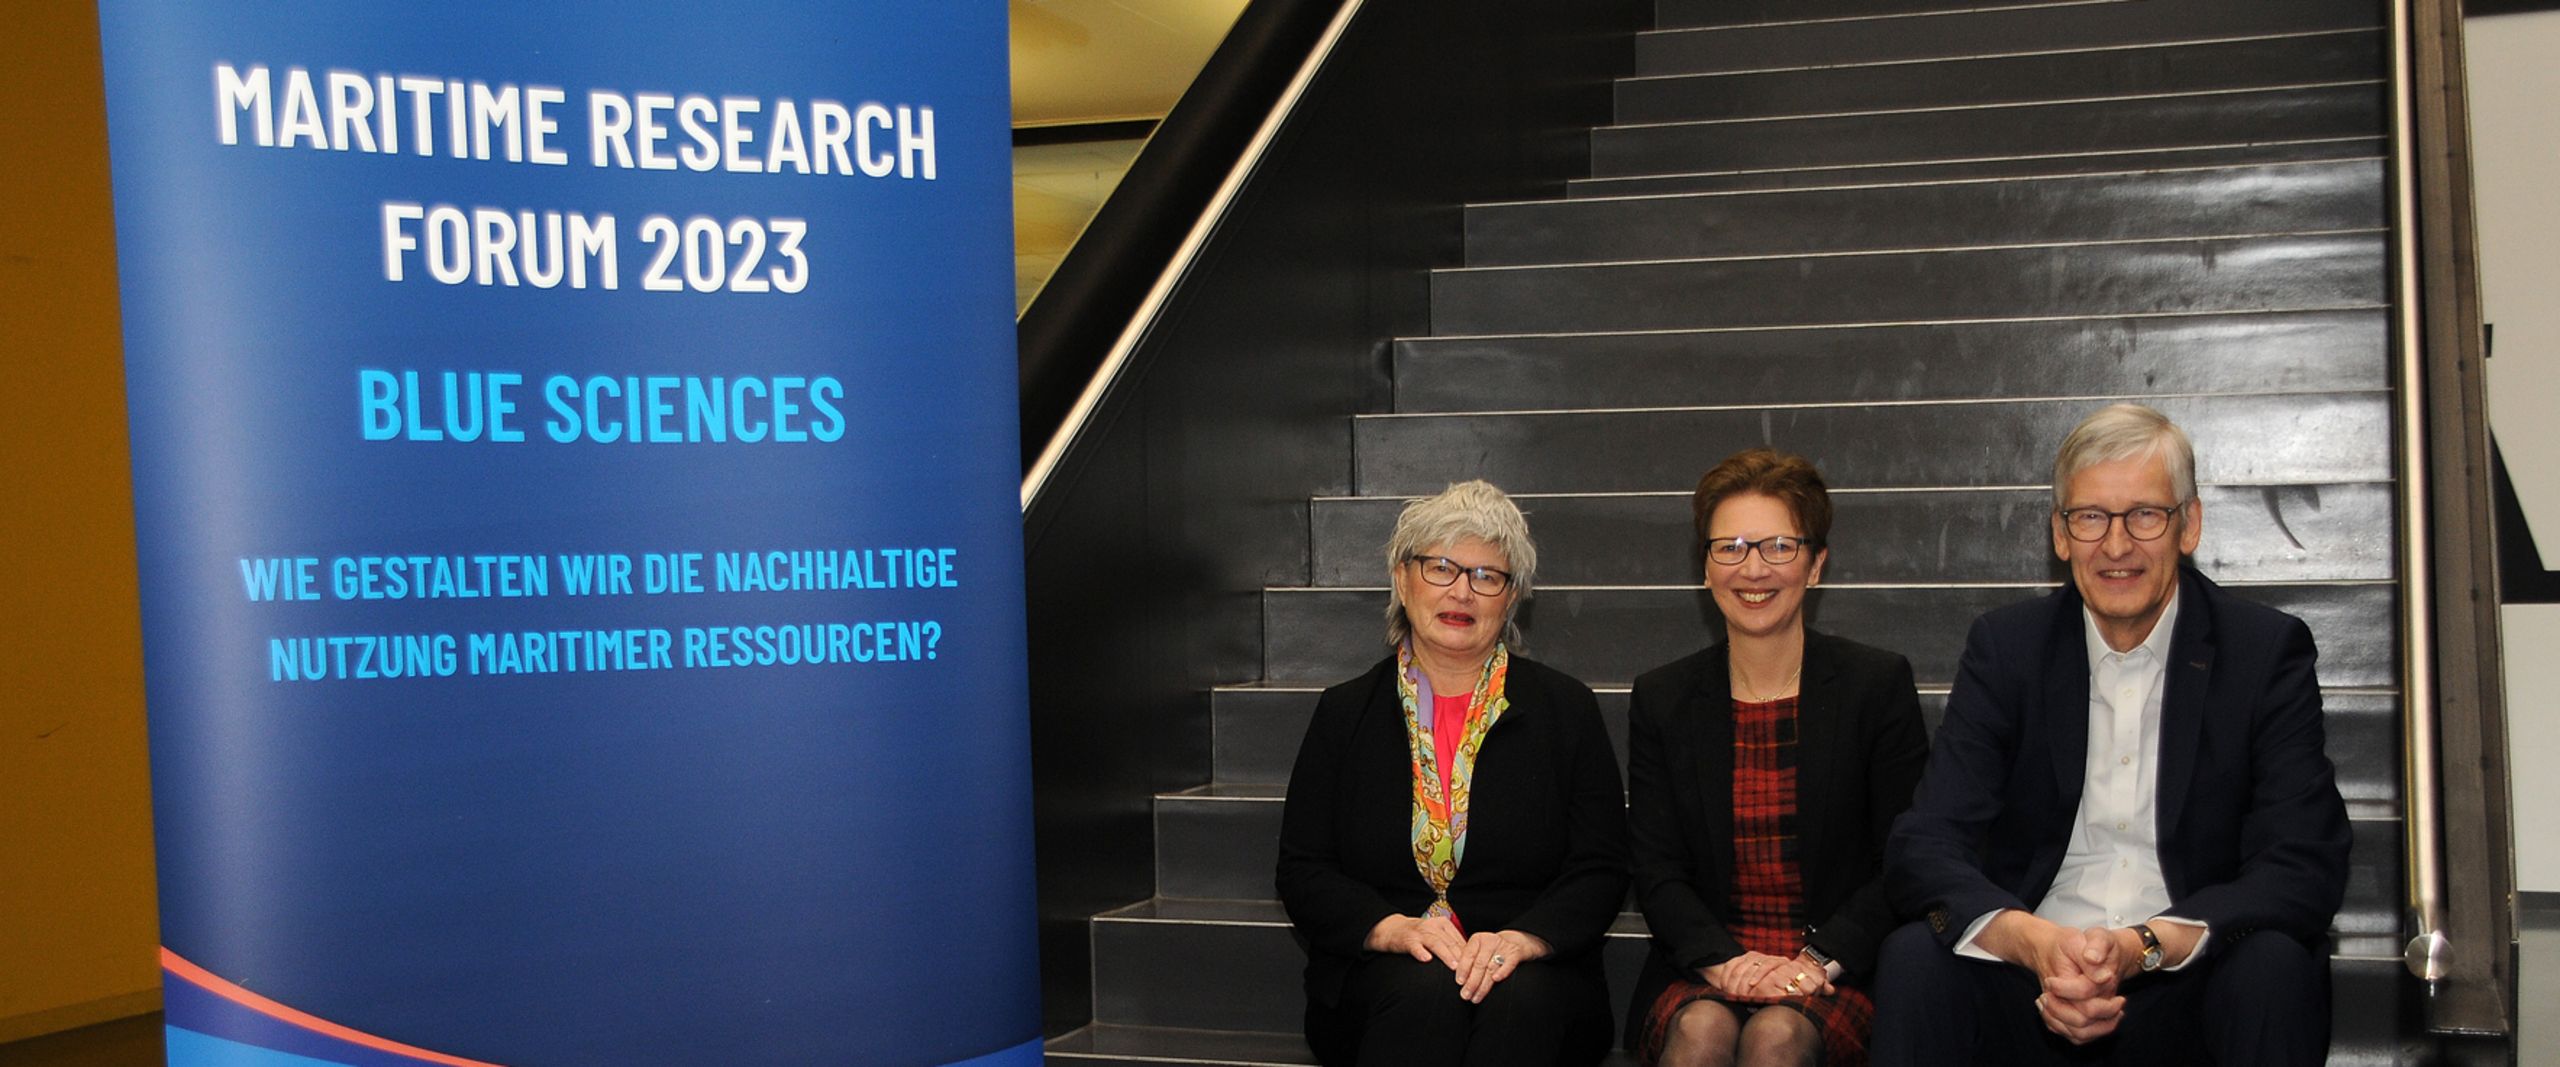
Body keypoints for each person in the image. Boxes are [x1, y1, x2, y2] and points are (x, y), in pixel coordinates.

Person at [1873, 403, 2352, 1066]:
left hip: (2186, 980)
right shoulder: (2007, 647)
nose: (2117, 544)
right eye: (2091, 516)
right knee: (1915, 956)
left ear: (2189, 524)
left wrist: (2143, 944)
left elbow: (2303, 863)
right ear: (2060, 534)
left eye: (2145, 514)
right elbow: (1923, 842)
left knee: (2275, 962)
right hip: (2033, 977)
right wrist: (2033, 942)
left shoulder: (2263, 651)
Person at [1277, 479, 1630, 1067]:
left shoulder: (1566, 709)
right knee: (1424, 995)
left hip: (1530, 969)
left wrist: (1526, 939)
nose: (1461, 591)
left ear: (1511, 597)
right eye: (1440, 567)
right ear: (1401, 577)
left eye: (1487, 576)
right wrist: (1389, 928)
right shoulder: (1344, 712)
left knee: (1518, 1003)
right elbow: (1303, 869)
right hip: (1384, 973)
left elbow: (1600, 866)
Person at [1625, 449, 1931, 1067]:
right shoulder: (1663, 697)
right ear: (1706, 568)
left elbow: (1903, 858)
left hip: (1834, 969)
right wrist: (1727, 963)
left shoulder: (1876, 685)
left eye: (1778, 547)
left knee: (1776, 1038)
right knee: (1703, 1032)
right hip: (1706, 963)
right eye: (1730, 547)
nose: (1753, 569)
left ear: (1816, 564)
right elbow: (1657, 870)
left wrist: (1812, 964)